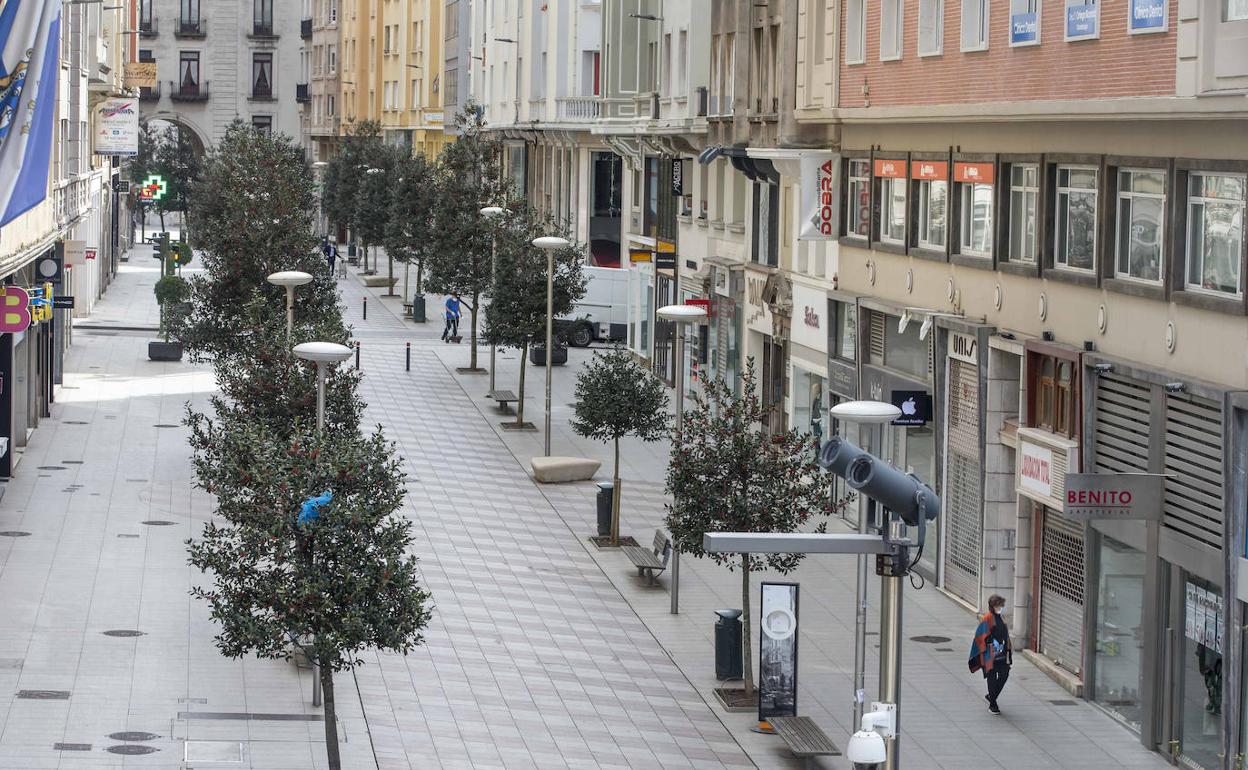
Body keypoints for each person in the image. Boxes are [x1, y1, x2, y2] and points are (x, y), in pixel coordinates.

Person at [968, 594, 1012, 715]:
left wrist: (1009, 651)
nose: (1000, 608)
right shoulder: (987, 618)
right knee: (992, 677)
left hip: (1002, 653)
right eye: (997, 606)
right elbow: (979, 636)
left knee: (1005, 674)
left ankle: (991, 696)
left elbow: (1006, 636)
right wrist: (988, 645)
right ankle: (993, 704)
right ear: (991, 606)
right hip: (990, 655)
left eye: (1001, 605)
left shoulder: (1001, 617)